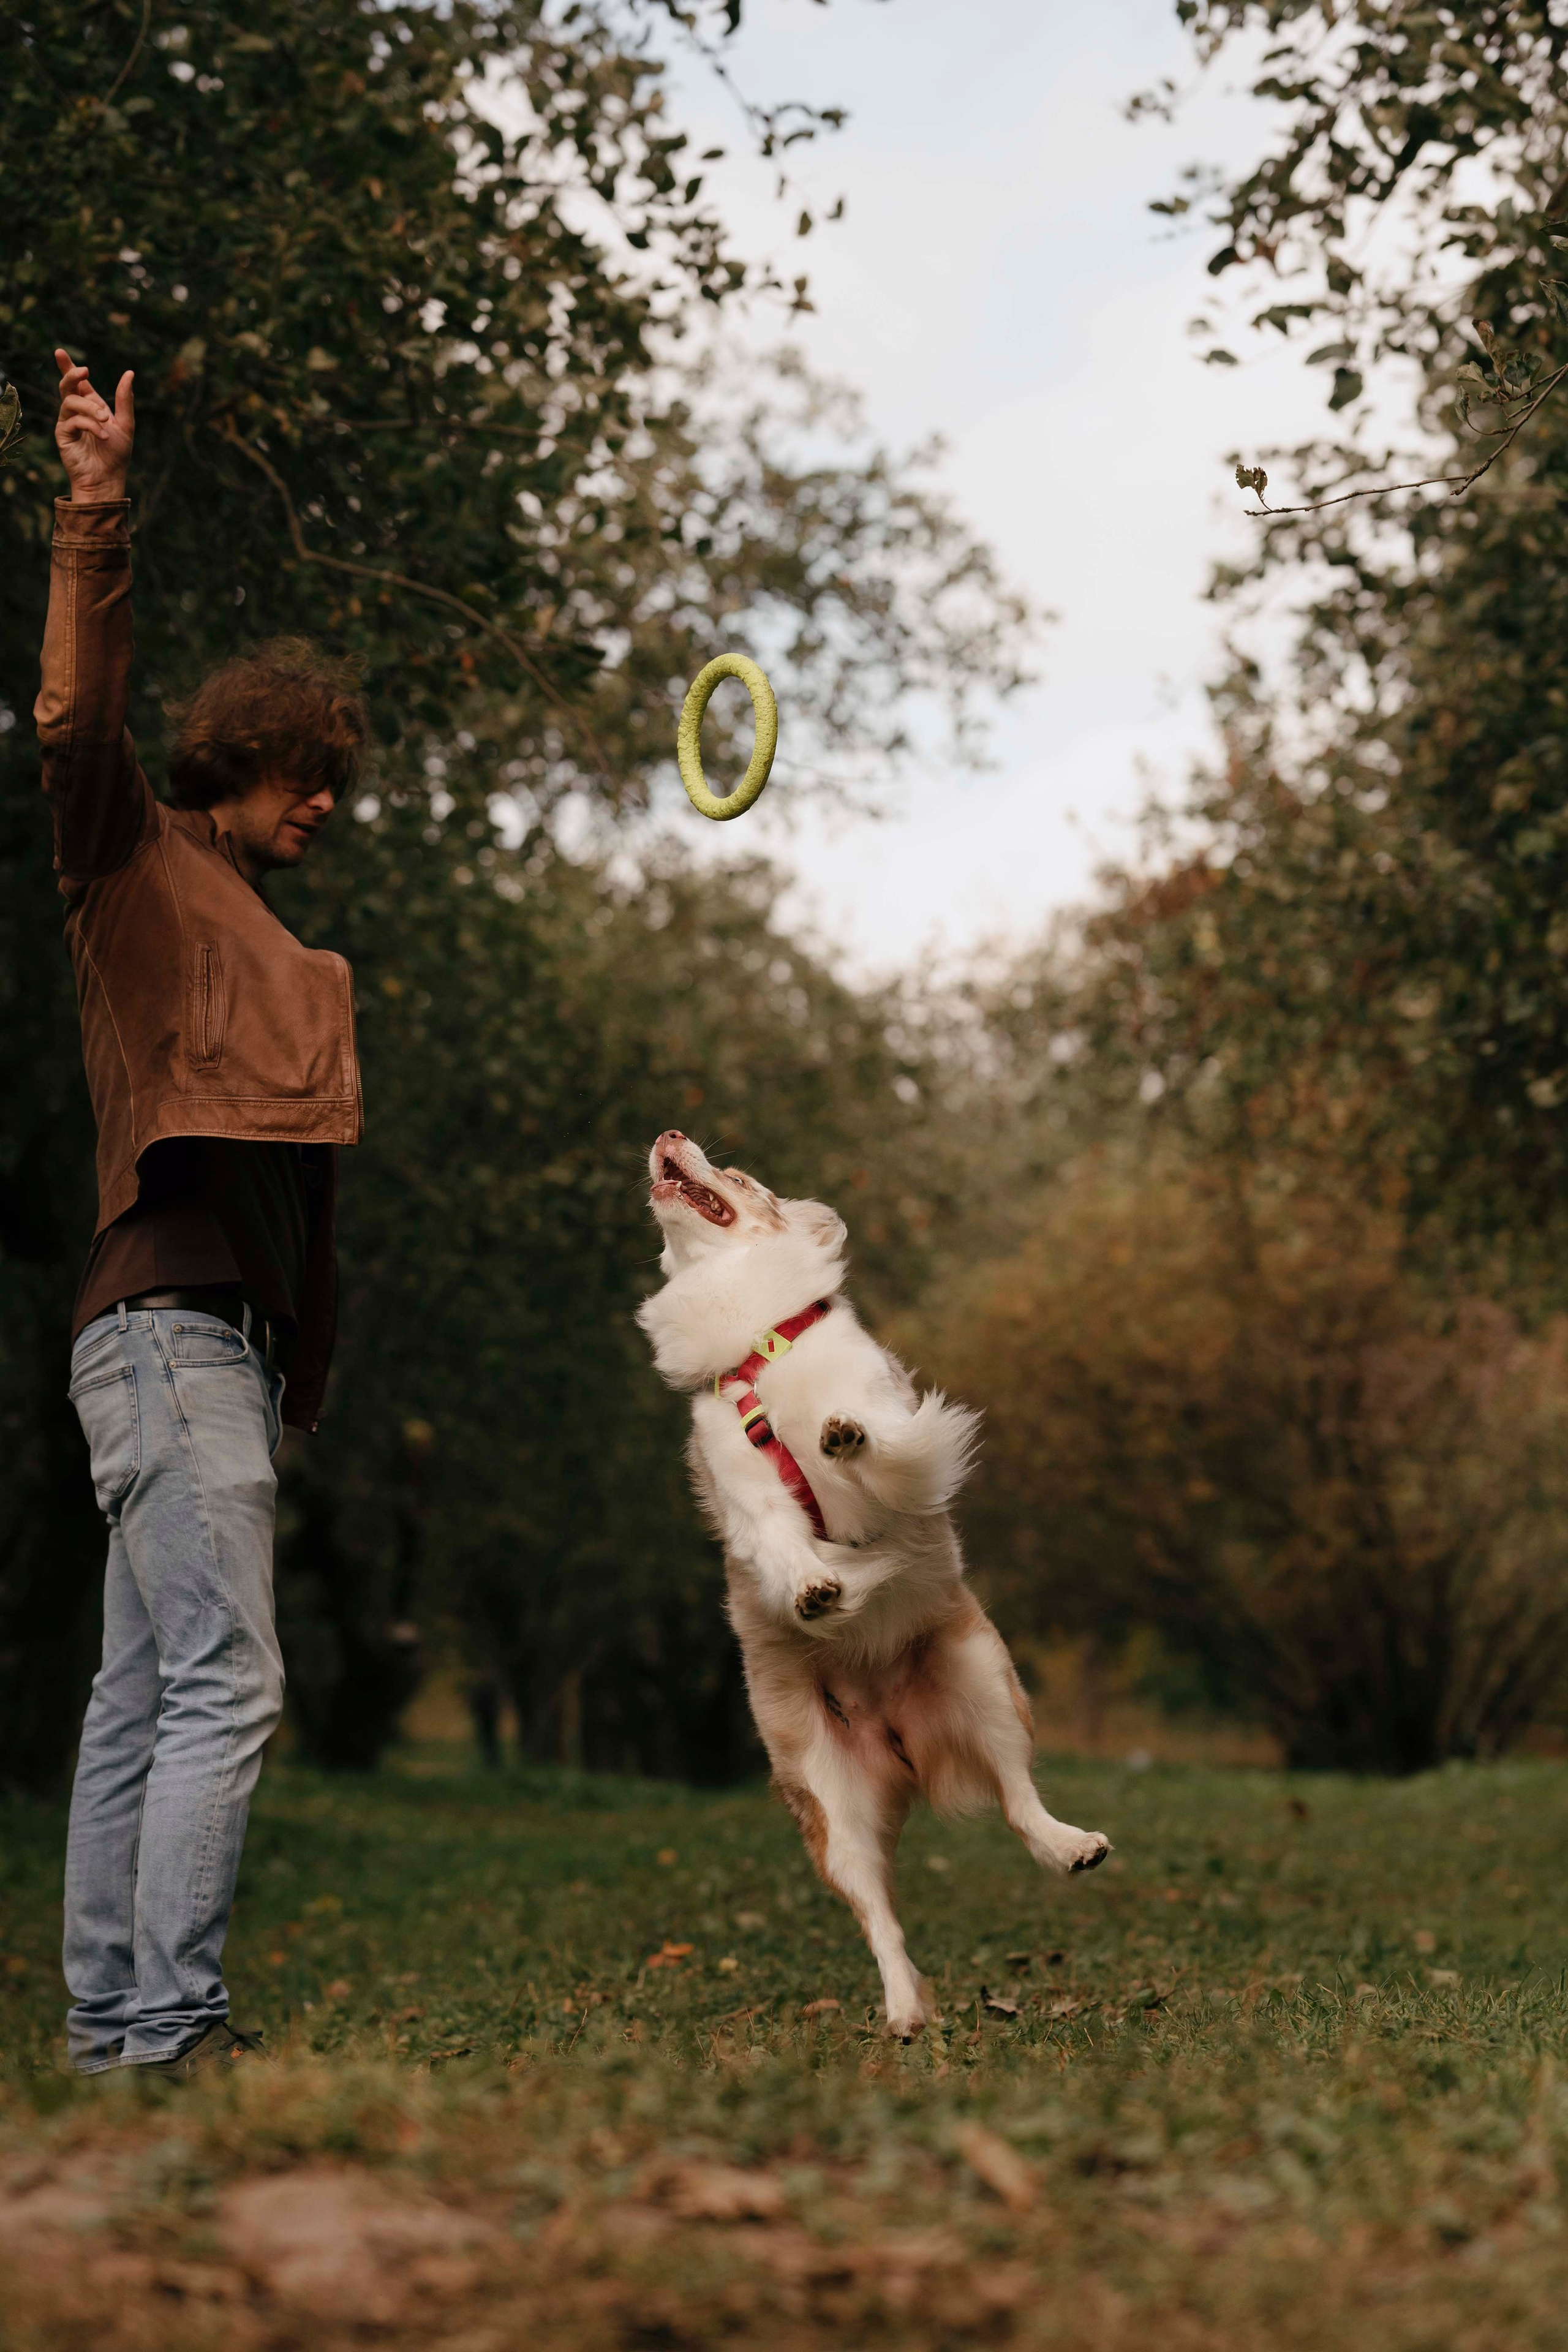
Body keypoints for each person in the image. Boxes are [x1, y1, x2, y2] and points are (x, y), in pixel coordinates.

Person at [39, 349, 367, 2078]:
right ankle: (170, 2030)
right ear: (239, 757)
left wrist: (297, 1365)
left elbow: (295, 1186)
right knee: (228, 1683)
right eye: (307, 771)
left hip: (193, 1346)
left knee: (140, 1697)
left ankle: (112, 2035)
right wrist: (95, 508)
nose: (326, 801)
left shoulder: (261, 926)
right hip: (165, 1335)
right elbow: (73, 722)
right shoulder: (131, 859)